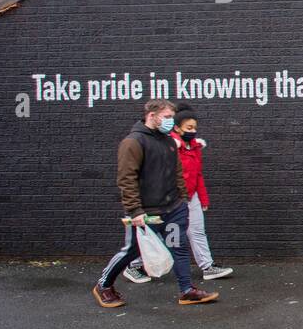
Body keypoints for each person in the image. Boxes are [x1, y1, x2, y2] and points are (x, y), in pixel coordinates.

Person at [93, 99, 219, 307]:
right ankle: (104, 285)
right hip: (146, 213)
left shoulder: (169, 142)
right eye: (167, 117)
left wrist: (182, 200)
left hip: (172, 208)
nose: (171, 121)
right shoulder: (133, 143)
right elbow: (127, 179)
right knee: (133, 250)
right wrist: (135, 210)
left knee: (177, 246)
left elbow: (177, 172)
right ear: (152, 116)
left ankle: (186, 290)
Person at [124, 104, 233, 283]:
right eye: (189, 128)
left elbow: (197, 175)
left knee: (195, 232)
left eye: (195, 128)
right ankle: (133, 265)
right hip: (167, 199)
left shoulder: (195, 148)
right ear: (177, 127)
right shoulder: (167, 145)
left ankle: (206, 267)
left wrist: (201, 198)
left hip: (188, 197)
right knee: (150, 233)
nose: (193, 131)